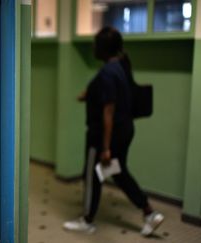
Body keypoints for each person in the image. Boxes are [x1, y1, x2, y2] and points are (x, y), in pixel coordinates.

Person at [63, 27, 164, 236]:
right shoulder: (121, 65)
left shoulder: (107, 73)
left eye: (95, 44)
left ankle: (87, 221)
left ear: (102, 48)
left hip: (104, 135)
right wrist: (89, 95)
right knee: (117, 172)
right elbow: (111, 95)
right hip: (126, 129)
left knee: (92, 175)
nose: (92, 47)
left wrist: (106, 148)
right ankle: (149, 213)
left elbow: (108, 111)